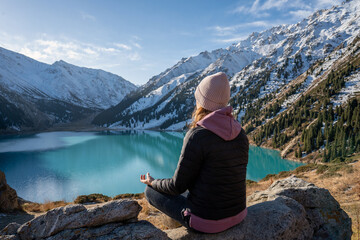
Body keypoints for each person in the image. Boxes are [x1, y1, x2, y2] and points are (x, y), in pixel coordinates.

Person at [140, 72, 249, 233]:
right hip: (238, 214)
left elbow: (176, 186)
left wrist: (153, 182)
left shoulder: (197, 136)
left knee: (151, 192)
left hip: (207, 222)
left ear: (202, 102)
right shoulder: (240, 133)